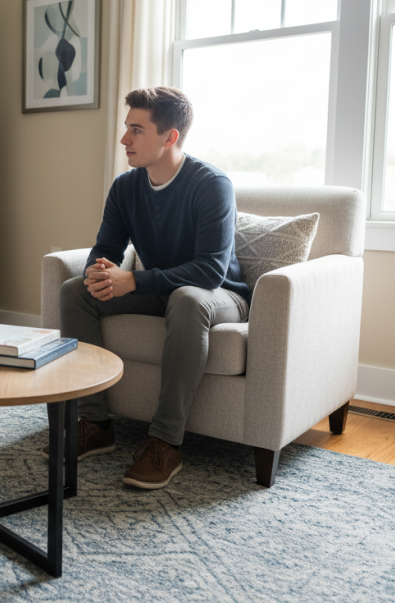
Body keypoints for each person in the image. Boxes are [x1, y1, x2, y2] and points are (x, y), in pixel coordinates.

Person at [51, 86, 250, 489]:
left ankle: (165, 442)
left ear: (170, 137)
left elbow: (210, 271)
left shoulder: (212, 184)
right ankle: (95, 423)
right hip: (164, 291)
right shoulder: (126, 187)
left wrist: (135, 280)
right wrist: (99, 273)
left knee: (188, 298)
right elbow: (106, 248)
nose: (124, 139)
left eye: (136, 130)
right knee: (75, 291)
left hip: (220, 295)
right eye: (126, 128)